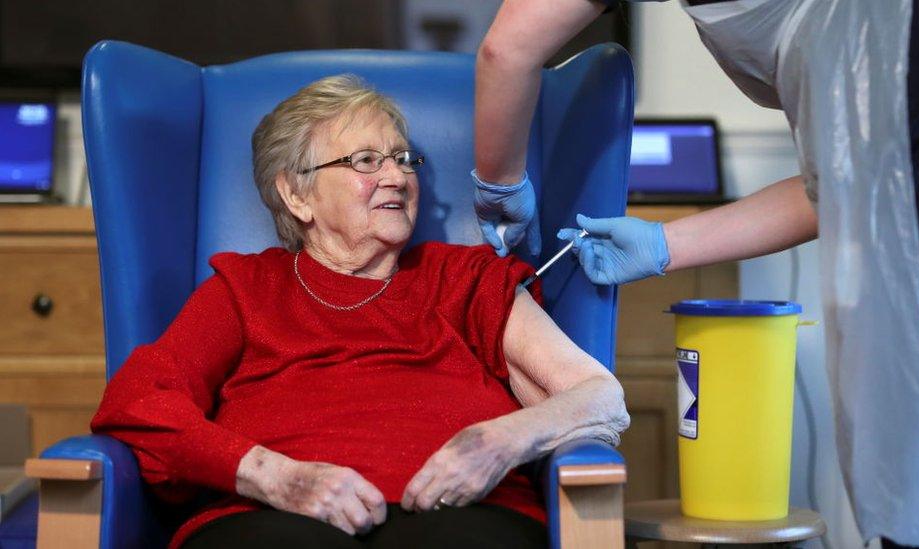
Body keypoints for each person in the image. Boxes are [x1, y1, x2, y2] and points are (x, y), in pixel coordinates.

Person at [473, 1, 919, 547]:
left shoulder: (883, 50)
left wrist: (499, 184)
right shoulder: (866, 48)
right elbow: (840, 186)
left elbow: (508, 47)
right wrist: (665, 243)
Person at [90, 74, 630, 549]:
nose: (397, 177)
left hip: (464, 513)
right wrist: (275, 478)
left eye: (402, 159)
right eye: (366, 162)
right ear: (296, 195)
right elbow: (138, 403)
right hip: (271, 516)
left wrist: (498, 442)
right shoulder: (244, 289)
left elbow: (599, 396)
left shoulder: (466, 278)